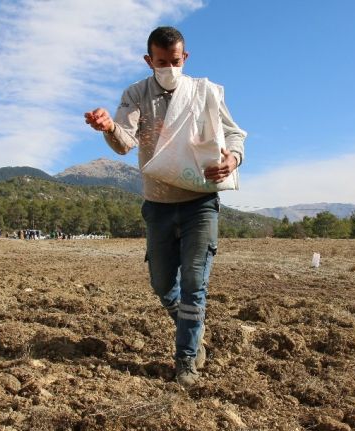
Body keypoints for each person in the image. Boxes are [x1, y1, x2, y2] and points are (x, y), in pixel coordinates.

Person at [85, 26, 246, 387]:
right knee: (162, 285)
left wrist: (233, 159)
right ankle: (189, 323)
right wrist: (109, 126)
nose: (170, 68)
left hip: (200, 202)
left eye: (175, 61)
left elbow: (234, 133)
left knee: (194, 281)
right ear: (149, 61)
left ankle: (186, 359)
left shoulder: (204, 92)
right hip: (158, 203)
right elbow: (125, 143)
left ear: (184, 58)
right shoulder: (137, 94)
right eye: (162, 62)